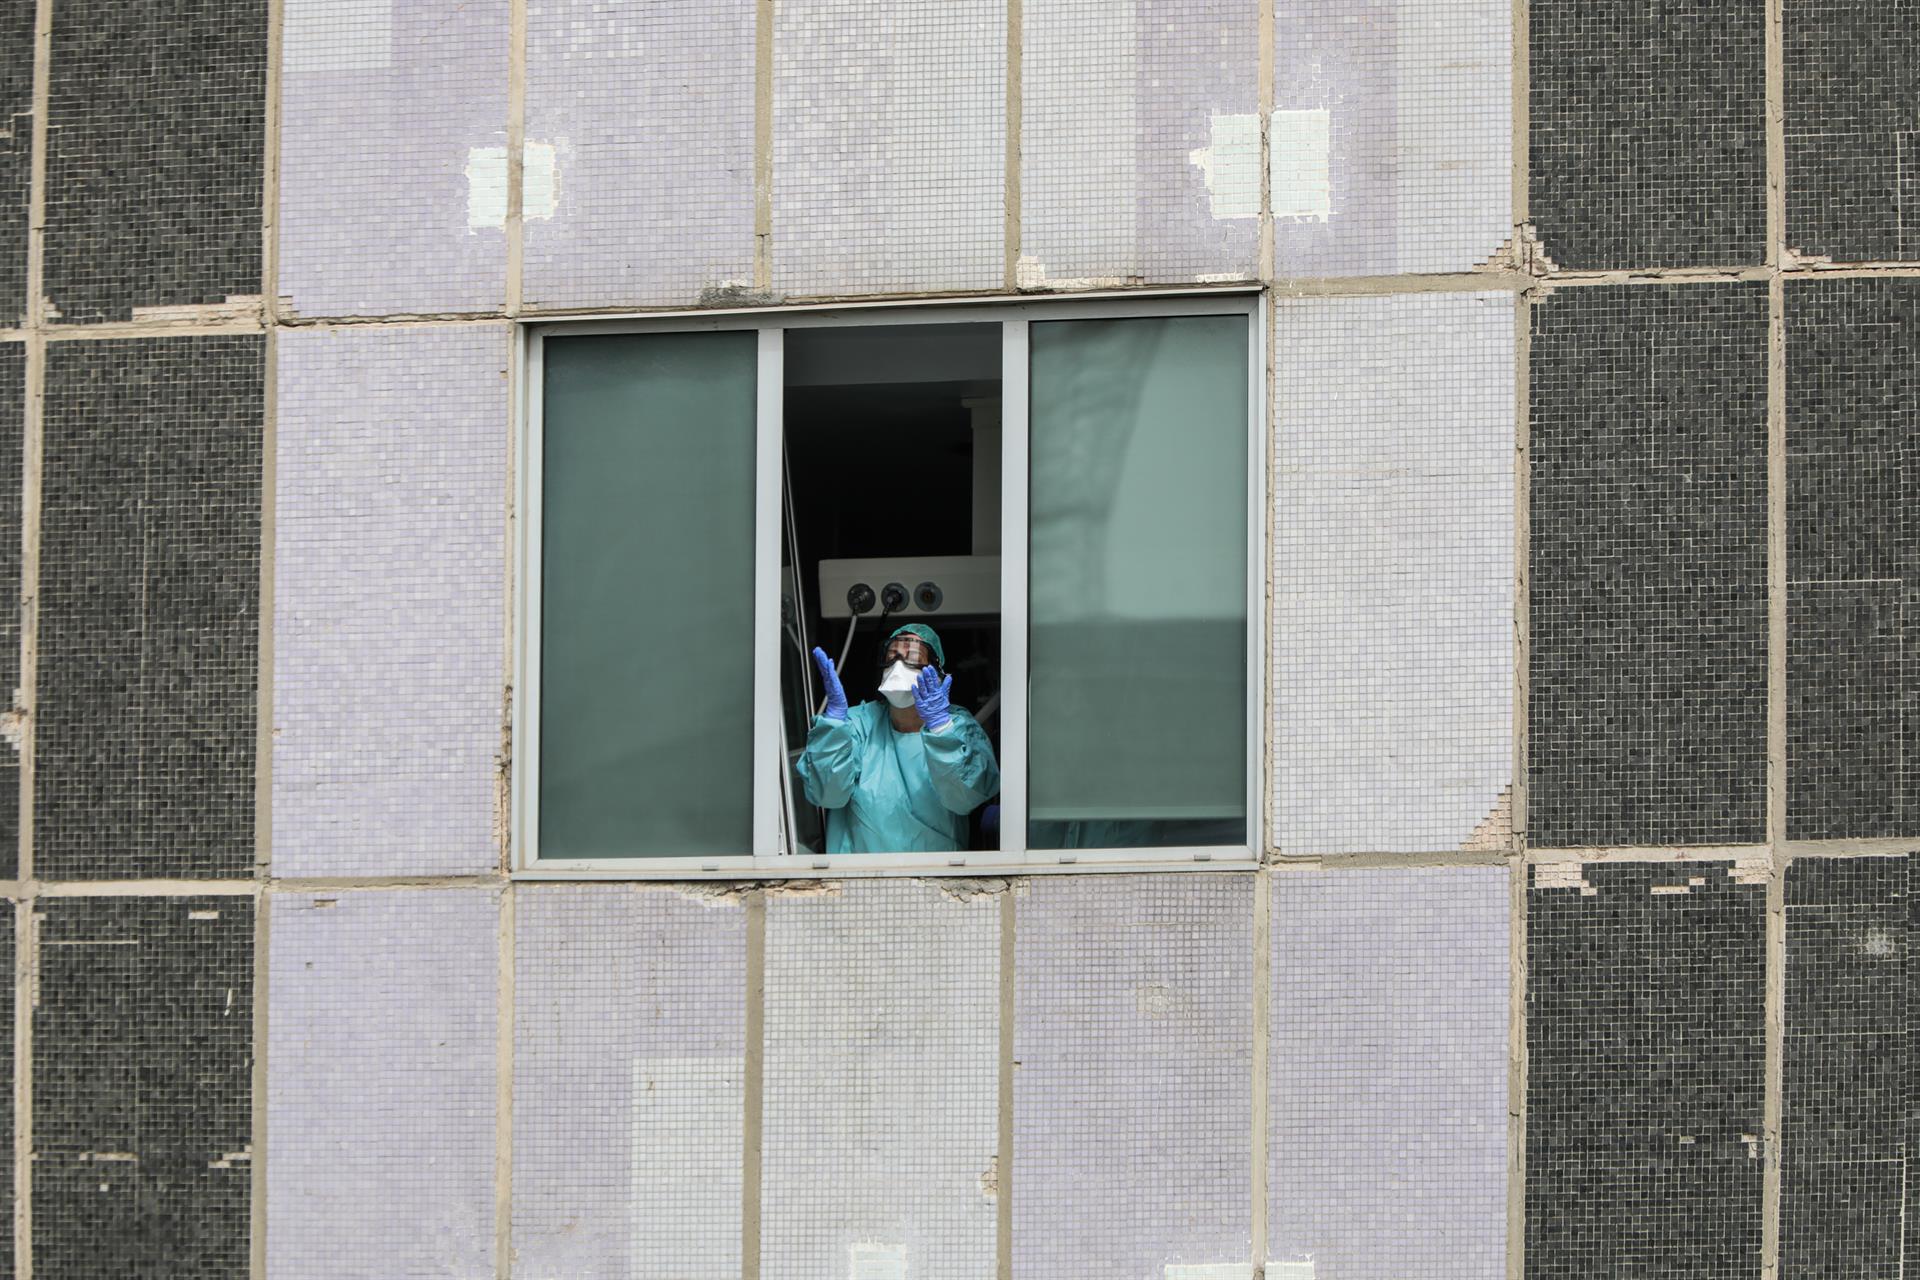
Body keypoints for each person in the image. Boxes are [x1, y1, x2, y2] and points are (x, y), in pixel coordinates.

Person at [796, 623, 1000, 853]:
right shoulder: (858, 724)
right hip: (861, 871)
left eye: (913, 657)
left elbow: (965, 798)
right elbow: (827, 795)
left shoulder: (956, 727)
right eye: (892, 656)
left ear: (935, 672)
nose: (898, 665)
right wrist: (833, 725)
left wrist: (941, 729)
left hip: (937, 869)